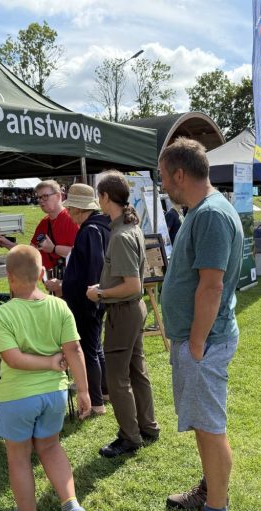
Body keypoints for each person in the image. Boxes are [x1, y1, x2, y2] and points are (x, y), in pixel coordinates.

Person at [158, 137, 244, 511]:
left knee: (210, 428)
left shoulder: (210, 214)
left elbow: (211, 286)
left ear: (179, 174)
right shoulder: (202, 210)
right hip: (201, 341)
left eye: (163, 177)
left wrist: (194, 343)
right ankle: (210, 490)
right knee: (203, 424)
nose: (162, 186)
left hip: (204, 344)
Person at [0, 245, 91, 511]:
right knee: (51, 447)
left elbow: (12, 358)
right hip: (55, 394)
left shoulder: (3, 313)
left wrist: (46, 362)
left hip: (16, 397)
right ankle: (71, 504)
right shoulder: (59, 306)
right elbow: (74, 349)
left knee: (19, 458)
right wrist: (84, 390)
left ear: (9, 278)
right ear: (42, 274)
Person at [86, 171, 160, 458]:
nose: (97, 200)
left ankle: (130, 437)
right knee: (137, 371)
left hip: (124, 311)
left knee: (117, 378)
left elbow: (131, 284)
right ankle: (147, 426)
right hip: (131, 309)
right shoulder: (129, 226)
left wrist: (100, 293)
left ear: (105, 198)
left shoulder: (120, 234)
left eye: (98, 195)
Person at [44, 184, 111, 416]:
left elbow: (93, 267)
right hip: (92, 297)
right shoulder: (97, 227)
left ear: (81, 210)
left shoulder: (90, 230)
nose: (69, 213)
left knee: (88, 350)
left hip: (87, 300)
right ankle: (103, 391)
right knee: (95, 347)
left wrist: (72, 290)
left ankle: (95, 402)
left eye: (71, 209)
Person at [0, 180, 79, 273]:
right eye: (39, 197)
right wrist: (7, 244)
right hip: (52, 282)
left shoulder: (72, 219)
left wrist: (54, 249)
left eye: (45, 196)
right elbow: (31, 252)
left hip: (71, 282)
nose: (41, 201)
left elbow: (81, 254)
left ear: (58, 196)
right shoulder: (44, 223)